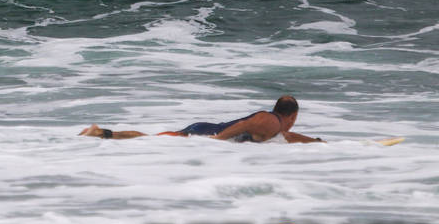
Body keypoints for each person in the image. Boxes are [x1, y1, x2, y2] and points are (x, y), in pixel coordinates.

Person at [78, 95, 323, 143]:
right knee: (153, 140)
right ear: (294, 115)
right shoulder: (270, 121)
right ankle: (102, 133)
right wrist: (218, 140)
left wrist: (316, 142)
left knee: (154, 139)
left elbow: (290, 138)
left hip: (206, 131)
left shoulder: (276, 127)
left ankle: (103, 133)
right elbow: (243, 125)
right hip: (205, 132)